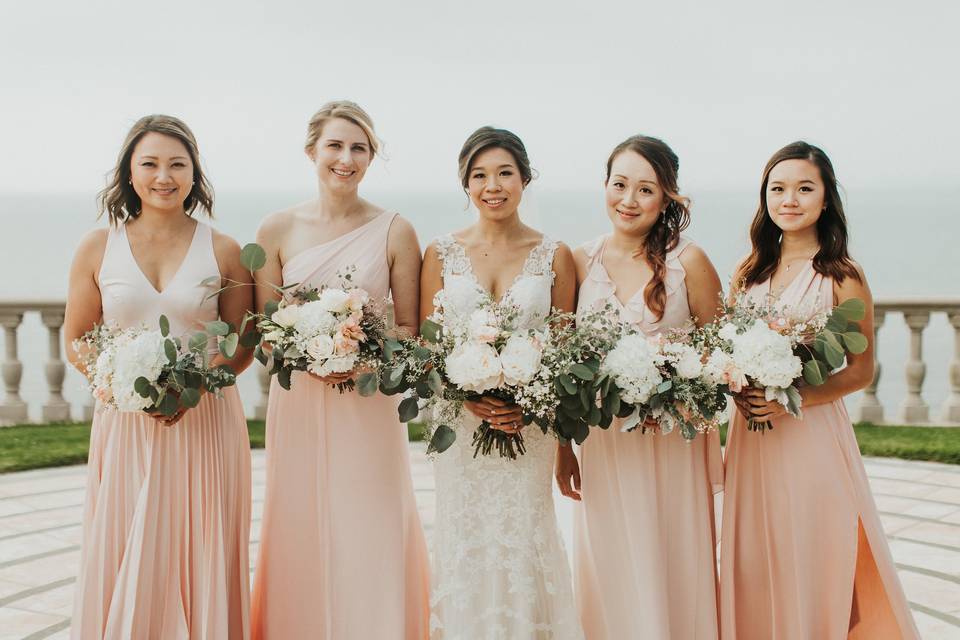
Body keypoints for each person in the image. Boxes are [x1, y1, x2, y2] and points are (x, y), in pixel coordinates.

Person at [719, 141, 920, 639]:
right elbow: (724, 352)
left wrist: (793, 399)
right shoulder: (747, 276)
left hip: (811, 440)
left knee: (812, 555)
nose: (790, 199)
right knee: (752, 561)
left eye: (804, 188)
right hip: (752, 441)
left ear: (826, 199)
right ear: (764, 197)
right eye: (778, 188)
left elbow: (860, 371)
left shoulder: (842, 276)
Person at [65, 114, 254, 639]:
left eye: (177, 164)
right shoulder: (97, 247)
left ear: (195, 174)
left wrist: (196, 389)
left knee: (198, 545)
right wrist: (117, 384)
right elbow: (78, 337)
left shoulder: (225, 250)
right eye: (149, 163)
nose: (163, 176)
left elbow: (243, 342)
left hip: (204, 423)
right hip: (125, 425)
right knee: (128, 544)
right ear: (129, 171)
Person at [249, 100, 430, 639]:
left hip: (367, 404)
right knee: (300, 520)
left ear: (371, 157)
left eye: (359, 148)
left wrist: (359, 354)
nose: (345, 158)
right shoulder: (276, 228)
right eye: (335, 145)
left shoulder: (396, 230)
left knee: (371, 518)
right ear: (312, 151)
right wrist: (307, 351)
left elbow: (409, 333)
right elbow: (264, 330)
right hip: (300, 403)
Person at [558, 135, 724, 639]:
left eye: (645, 189)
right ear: (604, 186)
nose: (628, 200)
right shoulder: (576, 260)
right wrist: (563, 447)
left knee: (671, 556)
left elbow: (720, 358)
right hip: (603, 444)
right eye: (619, 184)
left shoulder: (689, 261)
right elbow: (563, 364)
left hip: (670, 441)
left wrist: (673, 382)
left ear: (667, 197)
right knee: (607, 563)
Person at [421, 126, 583, 639]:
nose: (493, 185)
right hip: (460, 433)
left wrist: (549, 430)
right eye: (479, 175)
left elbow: (565, 356)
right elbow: (428, 348)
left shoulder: (555, 255)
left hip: (528, 430)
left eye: (505, 173)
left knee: (525, 539)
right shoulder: (440, 253)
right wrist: (464, 395)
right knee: (464, 542)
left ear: (525, 179)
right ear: (465, 184)